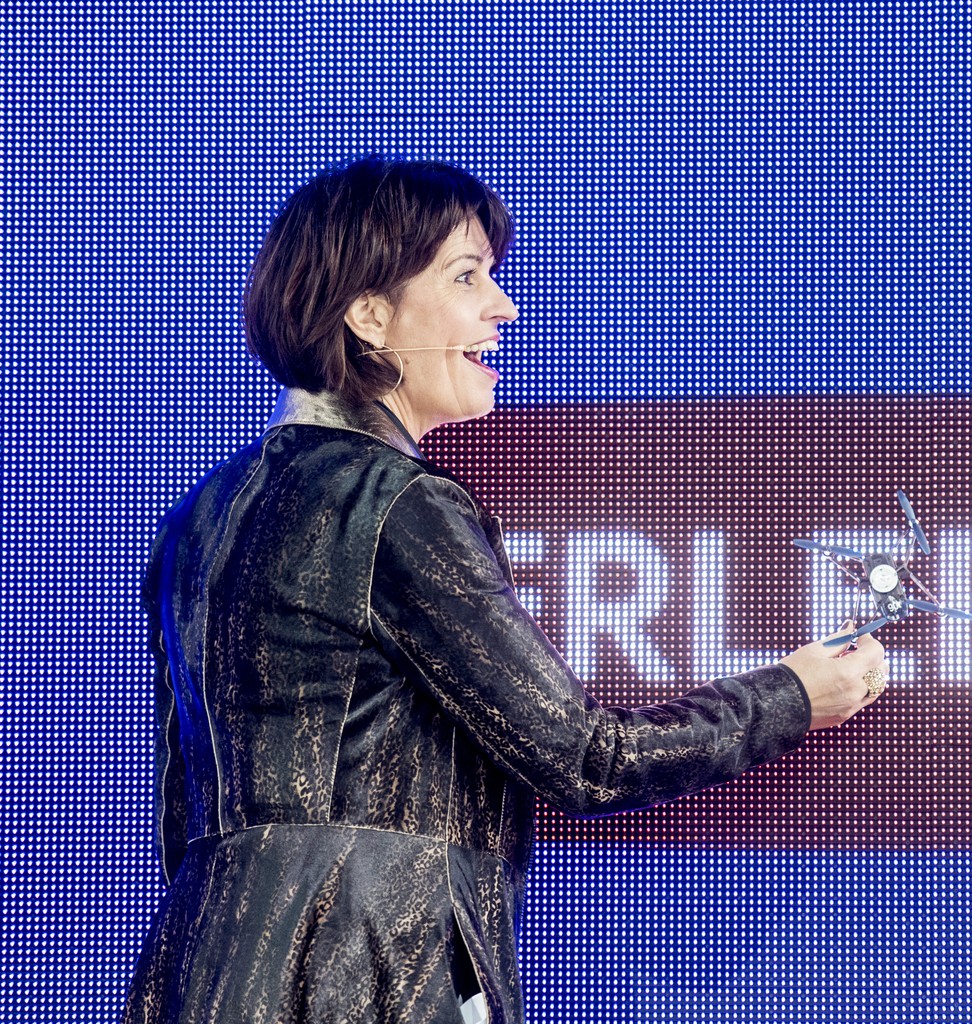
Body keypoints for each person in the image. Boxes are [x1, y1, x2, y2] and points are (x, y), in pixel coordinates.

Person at [121, 157, 887, 1024]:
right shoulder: (398, 502)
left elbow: (187, 808)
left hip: (200, 972)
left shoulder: (202, 517)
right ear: (370, 315)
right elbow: (589, 758)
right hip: (374, 972)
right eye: (466, 276)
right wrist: (793, 696)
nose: (504, 306)